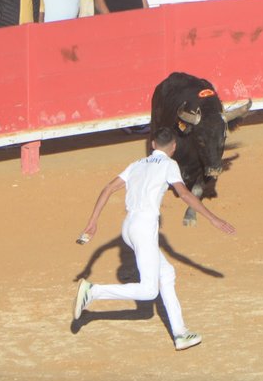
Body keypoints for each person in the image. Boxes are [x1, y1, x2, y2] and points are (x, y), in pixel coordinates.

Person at [73, 127, 235, 351]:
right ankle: (94, 291)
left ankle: (180, 334)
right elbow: (185, 194)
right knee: (149, 291)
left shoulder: (137, 164)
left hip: (128, 227)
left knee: (167, 273)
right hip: (144, 227)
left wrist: (93, 222)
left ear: (152, 144)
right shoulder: (170, 165)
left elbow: (109, 188)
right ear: (174, 148)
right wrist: (212, 218)